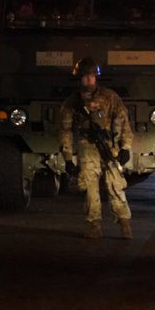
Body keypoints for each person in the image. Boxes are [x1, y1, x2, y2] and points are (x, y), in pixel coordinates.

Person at [59, 57, 133, 239]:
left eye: (91, 76)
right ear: (79, 79)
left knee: (115, 184)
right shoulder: (72, 103)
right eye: (85, 77)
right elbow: (65, 130)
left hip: (108, 145)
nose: (88, 80)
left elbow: (123, 121)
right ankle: (94, 225)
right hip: (87, 146)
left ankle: (125, 224)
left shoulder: (109, 97)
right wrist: (67, 158)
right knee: (90, 186)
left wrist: (125, 147)